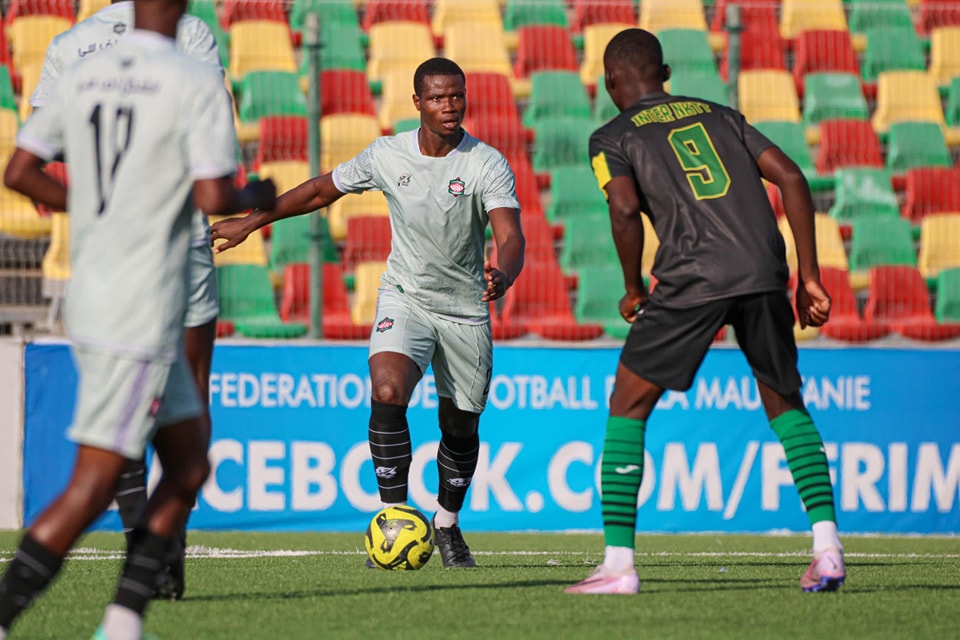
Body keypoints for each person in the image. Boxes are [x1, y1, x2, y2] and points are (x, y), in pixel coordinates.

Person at [0, 0, 275, 636]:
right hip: (145, 301)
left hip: (94, 288)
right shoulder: (193, 74)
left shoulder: (81, 66)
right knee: (92, 485)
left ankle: (123, 620)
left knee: (188, 462)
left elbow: (20, 171)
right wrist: (256, 197)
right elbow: (215, 196)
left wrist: (96, 205)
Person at [210, 57, 525, 568]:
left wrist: (503, 271)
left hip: (465, 309)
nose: (450, 106)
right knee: (387, 389)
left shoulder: (485, 162)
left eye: (457, 96)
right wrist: (251, 223)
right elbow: (318, 190)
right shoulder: (386, 154)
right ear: (417, 102)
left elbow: (510, 235)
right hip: (405, 295)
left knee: (461, 425)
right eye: (439, 98)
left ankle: (446, 524)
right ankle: (395, 517)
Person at [564, 28, 844, 595]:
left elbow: (622, 206)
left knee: (627, 401)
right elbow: (792, 176)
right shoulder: (723, 115)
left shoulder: (610, 136)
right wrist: (808, 275)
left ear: (611, 82)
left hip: (693, 275)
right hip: (764, 272)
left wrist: (630, 286)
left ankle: (618, 565)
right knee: (783, 400)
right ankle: (828, 547)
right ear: (664, 75)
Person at [29, 0, 225, 601]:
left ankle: (143, 562)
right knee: (179, 398)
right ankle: (160, 546)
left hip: (101, 263)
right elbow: (210, 178)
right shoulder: (193, 37)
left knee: (161, 434)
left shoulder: (73, 47)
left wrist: (94, 204)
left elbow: (34, 157)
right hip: (172, 247)